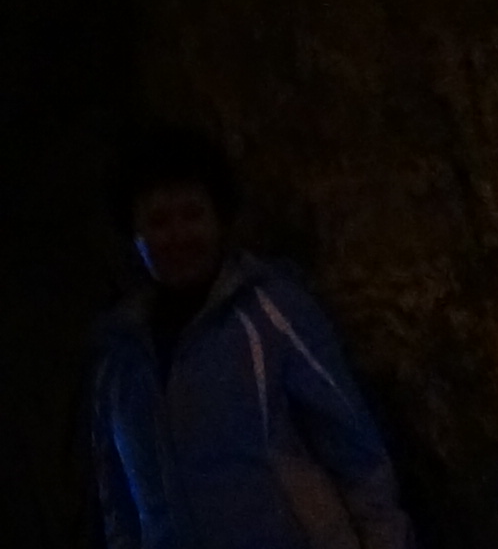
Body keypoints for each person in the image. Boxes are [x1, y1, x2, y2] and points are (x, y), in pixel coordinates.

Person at [86, 126, 421, 549]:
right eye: (158, 222)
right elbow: (119, 506)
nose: (177, 236)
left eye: (193, 215)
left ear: (220, 220)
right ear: (135, 238)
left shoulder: (272, 314)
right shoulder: (121, 361)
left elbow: (356, 454)